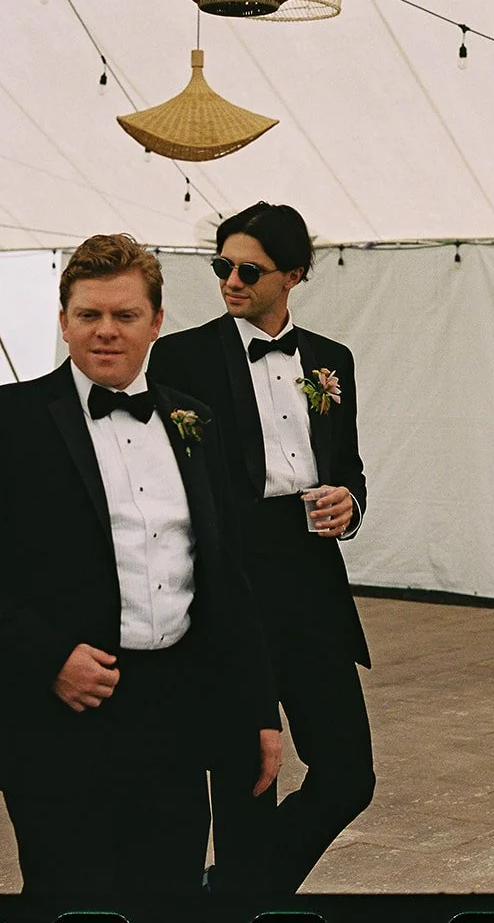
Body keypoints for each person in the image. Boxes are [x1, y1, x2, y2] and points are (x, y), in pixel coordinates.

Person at [0, 233, 281, 898]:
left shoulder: (193, 422)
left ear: (157, 323)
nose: (106, 331)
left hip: (178, 712)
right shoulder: (5, 421)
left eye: (125, 315)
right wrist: (49, 655)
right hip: (62, 716)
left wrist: (261, 711)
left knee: (170, 891)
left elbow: (229, 578)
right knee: (70, 896)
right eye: (89, 315)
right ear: (63, 322)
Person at [148, 202, 374, 895]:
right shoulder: (183, 356)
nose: (230, 280)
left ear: (294, 276)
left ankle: (235, 889)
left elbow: (352, 464)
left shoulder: (332, 361)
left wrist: (350, 502)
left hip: (313, 578)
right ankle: (244, 891)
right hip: (231, 577)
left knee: (348, 775)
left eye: (249, 269)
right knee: (248, 776)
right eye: (222, 266)